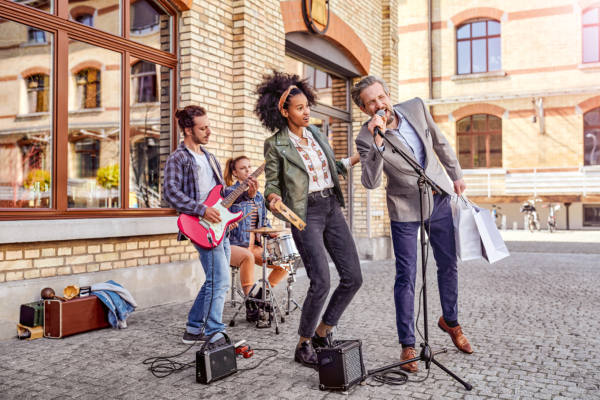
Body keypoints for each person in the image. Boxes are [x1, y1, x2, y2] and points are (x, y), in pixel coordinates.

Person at [352, 76, 473, 373]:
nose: (380, 105)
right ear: (365, 109)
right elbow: (371, 181)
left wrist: (455, 174)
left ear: (388, 94)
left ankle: (451, 322)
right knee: (406, 276)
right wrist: (378, 139)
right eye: (371, 102)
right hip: (403, 208)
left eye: (381, 97)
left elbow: (440, 142)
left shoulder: (416, 107)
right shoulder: (365, 138)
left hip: (439, 197)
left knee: (448, 264)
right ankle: (407, 343)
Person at [255, 70, 362, 369]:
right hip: (305, 213)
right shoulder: (275, 144)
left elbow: (331, 167)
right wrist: (273, 198)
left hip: (332, 207)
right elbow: (272, 184)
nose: (306, 112)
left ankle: (322, 333)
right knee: (322, 280)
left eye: (307, 106)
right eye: (299, 108)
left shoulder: (316, 134)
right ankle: (303, 345)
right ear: (283, 111)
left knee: (353, 277)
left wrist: (355, 158)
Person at [163, 105, 258, 346]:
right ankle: (215, 331)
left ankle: (194, 327)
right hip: (200, 225)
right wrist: (202, 209)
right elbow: (171, 193)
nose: (209, 131)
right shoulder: (179, 158)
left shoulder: (211, 158)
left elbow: (221, 194)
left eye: (209, 126)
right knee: (221, 280)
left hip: (219, 228)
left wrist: (245, 192)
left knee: (215, 279)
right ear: (187, 130)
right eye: (203, 128)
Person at [223, 155, 288, 322]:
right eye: (243, 168)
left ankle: (260, 296)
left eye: (249, 167)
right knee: (248, 257)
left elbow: (263, 222)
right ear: (235, 172)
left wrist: (270, 232)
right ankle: (250, 305)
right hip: (233, 246)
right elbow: (225, 215)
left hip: (254, 245)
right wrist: (248, 195)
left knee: (285, 262)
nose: (248, 170)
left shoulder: (259, 197)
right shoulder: (229, 192)